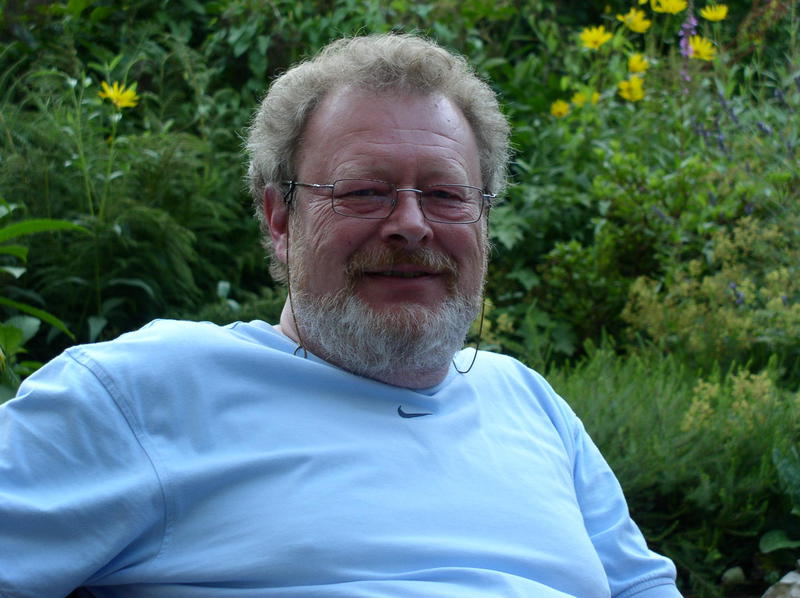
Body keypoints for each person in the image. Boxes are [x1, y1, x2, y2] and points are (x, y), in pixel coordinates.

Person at [0, 34, 683, 598]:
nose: (411, 224)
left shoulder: (531, 404)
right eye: (364, 191)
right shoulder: (144, 393)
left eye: (446, 194)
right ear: (280, 218)